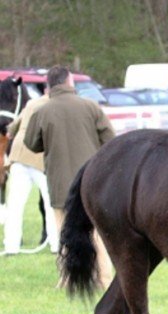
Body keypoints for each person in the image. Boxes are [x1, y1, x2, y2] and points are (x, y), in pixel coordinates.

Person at [24, 65, 115, 289]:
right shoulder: (91, 107)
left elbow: (31, 143)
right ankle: (104, 278)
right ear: (70, 82)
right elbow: (110, 139)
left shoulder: (42, 111)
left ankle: (67, 279)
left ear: (49, 84)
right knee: (96, 233)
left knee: (64, 232)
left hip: (59, 180)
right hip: (92, 183)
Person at [3, 92, 60, 255]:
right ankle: (56, 244)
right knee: (51, 203)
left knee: (15, 204)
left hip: (18, 154)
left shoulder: (31, 103)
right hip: (38, 156)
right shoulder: (54, 105)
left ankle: (11, 246)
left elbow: (11, 129)